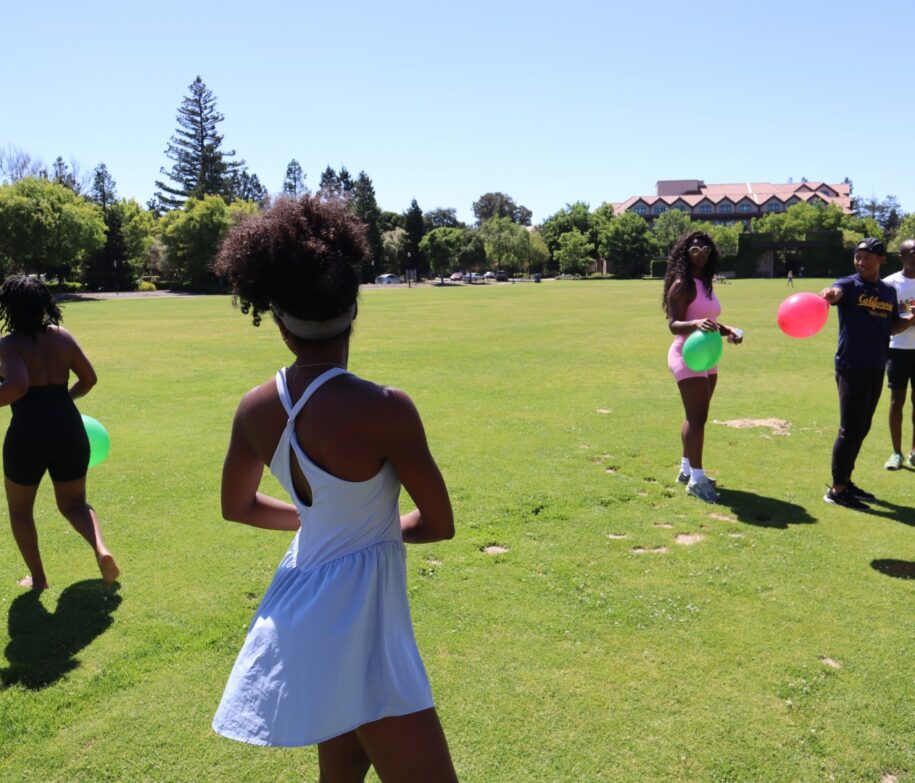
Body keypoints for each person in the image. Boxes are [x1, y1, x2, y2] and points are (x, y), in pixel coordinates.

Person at [210, 196, 458, 782]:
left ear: (277, 321)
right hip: (363, 627)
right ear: (353, 308)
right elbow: (439, 523)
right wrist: (362, 529)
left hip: (303, 604)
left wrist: (315, 524)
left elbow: (236, 506)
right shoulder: (386, 408)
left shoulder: (254, 408)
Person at [0, 275, 119, 590]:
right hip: (68, 426)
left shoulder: (9, 344)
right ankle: (101, 549)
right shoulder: (62, 337)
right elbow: (89, 378)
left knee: (20, 510)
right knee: (75, 504)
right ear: (44, 304)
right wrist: (62, 400)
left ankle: (39, 580)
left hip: (28, 433)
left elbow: (17, 386)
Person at [820, 238, 915, 509]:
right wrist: (830, 293)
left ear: (880, 260)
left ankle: (846, 482)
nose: (861, 262)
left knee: (862, 427)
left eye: (867, 257)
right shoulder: (849, 284)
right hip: (852, 364)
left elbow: (892, 327)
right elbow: (836, 291)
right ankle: (837, 490)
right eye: (857, 257)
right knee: (849, 428)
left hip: (877, 364)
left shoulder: (887, 291)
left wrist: (910, 320)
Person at [662, 231, 743, 504]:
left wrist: (728, 330)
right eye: (695, 247)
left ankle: (686, 470)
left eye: (706, 248)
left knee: (696, 416)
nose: (701, 251)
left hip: (708, 355)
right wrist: (696, 324)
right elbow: (673, 323)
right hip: (687, 355)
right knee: (698, 419)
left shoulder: (705, 282)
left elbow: (709, 321)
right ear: (685, 252)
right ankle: (697, 480)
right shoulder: (682, 284)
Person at [882, 238, 915, 469]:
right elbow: (884, 320)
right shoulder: (889, 284)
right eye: (912, 252)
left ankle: (914, 451)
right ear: (902, 257)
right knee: (897, 402)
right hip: (897, 349)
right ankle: (896, 453)